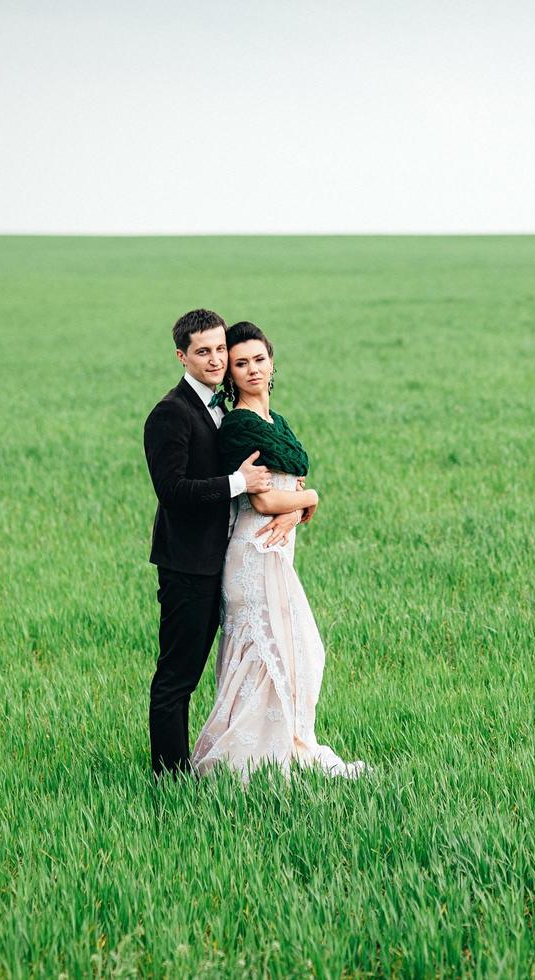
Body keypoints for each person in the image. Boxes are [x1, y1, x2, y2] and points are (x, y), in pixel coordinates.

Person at [191, 321, 370, 782]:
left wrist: (296, 510)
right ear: (229, 374)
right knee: (268, 655)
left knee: (298, 653)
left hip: (278, 548)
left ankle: (286, 744)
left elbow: (289, 485)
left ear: (272, 363)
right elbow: (265, 500)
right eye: (240, 363)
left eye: (259, 359)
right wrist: (310, 501)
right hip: (254, 554)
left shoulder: (277, 421)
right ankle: (246, 759)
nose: (252, 369)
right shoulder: (237, 425)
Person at [142, 309, 302, 777]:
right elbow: (171, 491)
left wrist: (295, 504)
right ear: (181, 356)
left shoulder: (220, 411)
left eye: (219, 350)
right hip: (187, 565)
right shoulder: (170, 414)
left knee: (230, 666)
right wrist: (236, 482)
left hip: (228, 555)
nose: (214, 359)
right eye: (203, 351)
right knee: (178, 675)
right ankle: (168, 777)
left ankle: (240, 753)